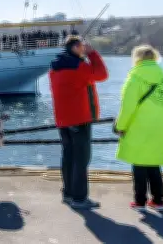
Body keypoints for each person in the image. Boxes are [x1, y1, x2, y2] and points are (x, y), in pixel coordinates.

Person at [48, 35, 109, 210]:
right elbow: (102, 75)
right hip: (79, 118)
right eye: (82, 46)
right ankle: (80, 198)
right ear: (75, 47)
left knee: (68, 156)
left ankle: (67, 193)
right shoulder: (79, 66)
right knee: (81, 159)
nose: (85, 48)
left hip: (63, 118)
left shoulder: (55, 66)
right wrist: (93, 54)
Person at [114, 45, 163, 210]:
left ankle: (140, 200)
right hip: (160, 126)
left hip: (139, 126)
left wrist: (120, 126)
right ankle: (158, 199)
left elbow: (128, 107)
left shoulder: (134, 79)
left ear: (137, 58)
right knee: (154, 163)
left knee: (139, 163)